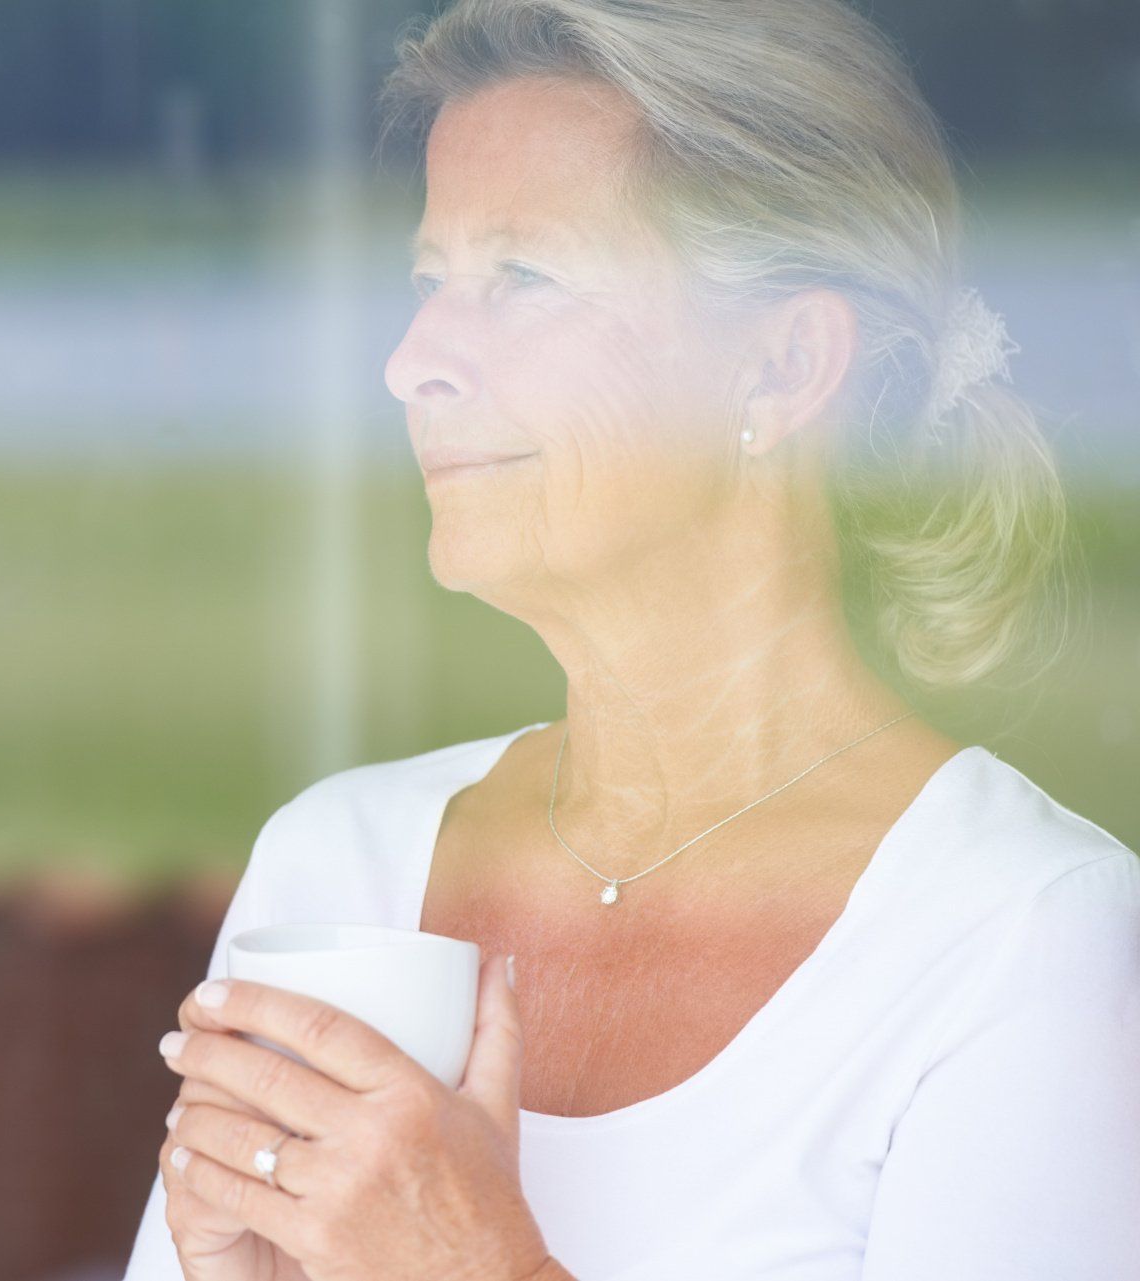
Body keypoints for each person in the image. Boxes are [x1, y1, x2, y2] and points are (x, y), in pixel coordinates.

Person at [121, 2, 1140, 1279]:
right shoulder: (336, 870)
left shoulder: (1016, 937)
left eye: (524, 280)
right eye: (431, 284)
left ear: (779, 366)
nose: (410, 361)